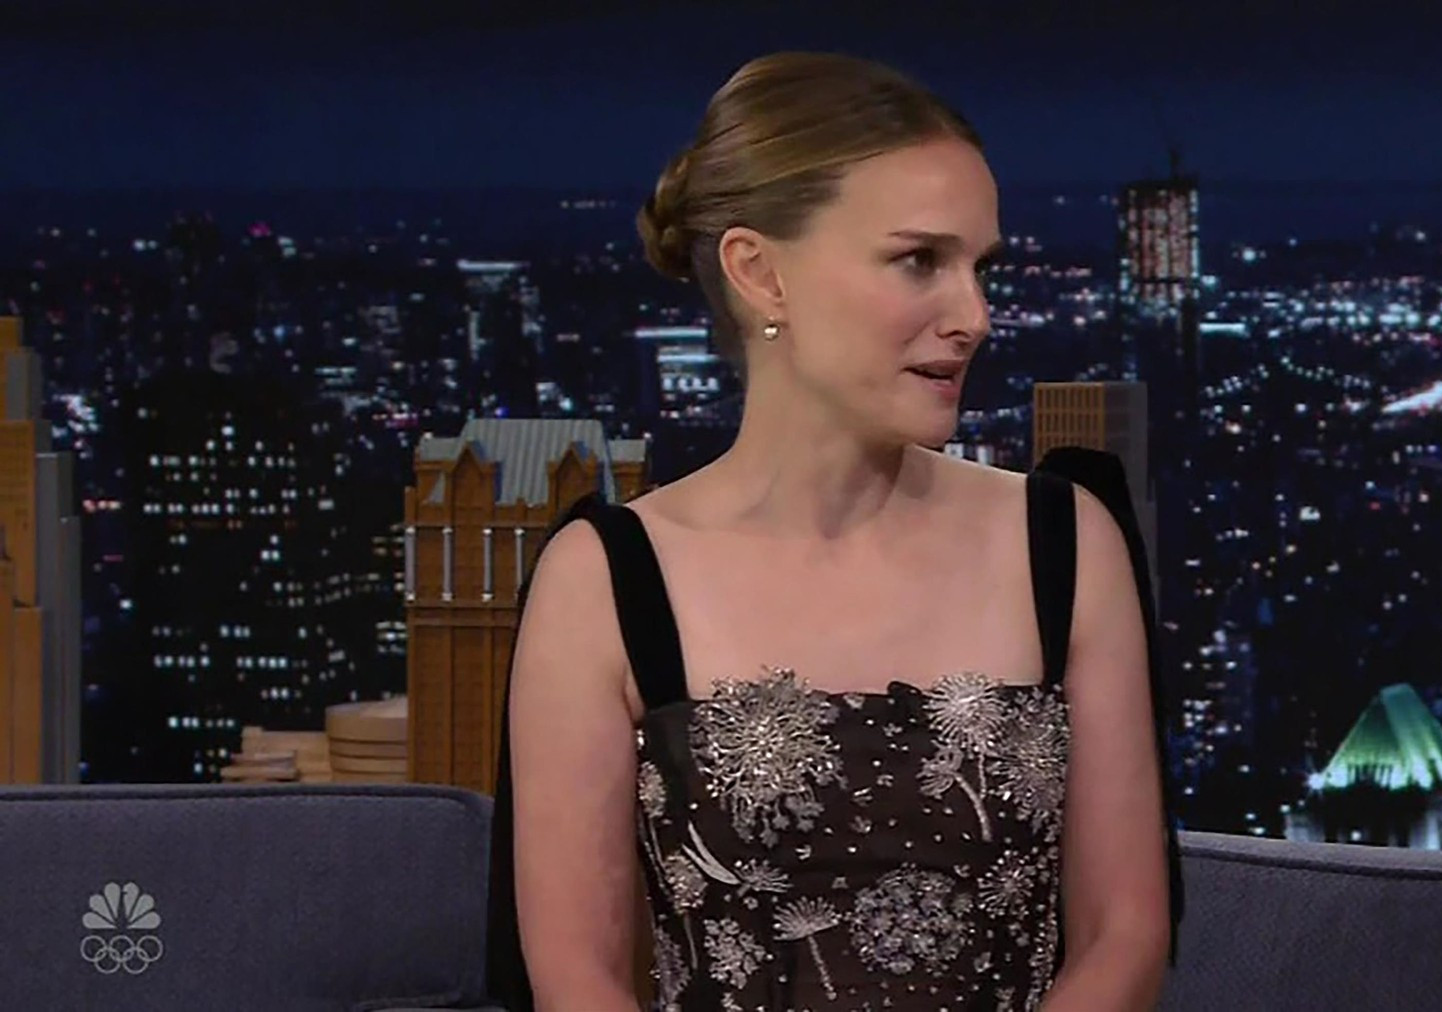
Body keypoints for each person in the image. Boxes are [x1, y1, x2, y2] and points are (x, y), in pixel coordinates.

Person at [488, 51, 1177, 1011]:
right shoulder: (602, 580)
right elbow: (579, 979)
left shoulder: (1065, 543)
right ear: (760, 273)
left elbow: (1125, 936)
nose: (975, 317)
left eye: (980, 268)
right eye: (919, 260)